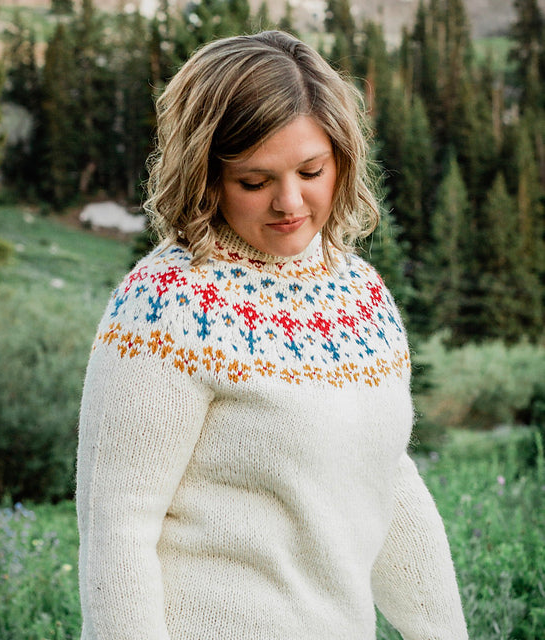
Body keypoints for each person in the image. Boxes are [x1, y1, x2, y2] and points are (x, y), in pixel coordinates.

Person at [76, 30, 468, 640]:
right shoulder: (166, 303)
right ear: (206, 175)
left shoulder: (361, 293)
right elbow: (118, 530)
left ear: (342, 158)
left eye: (311, 171)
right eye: (255, 182)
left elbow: (388, 483)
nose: (290, 202)